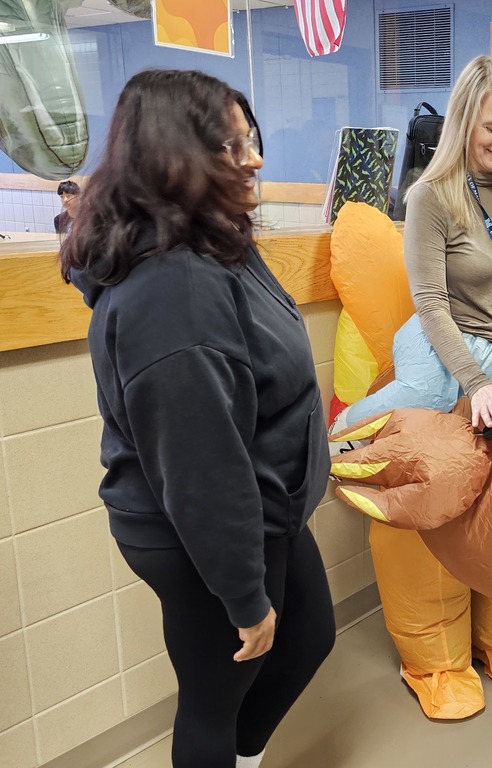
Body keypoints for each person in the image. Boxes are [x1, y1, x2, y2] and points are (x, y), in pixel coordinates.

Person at [59, 70, 335, 768]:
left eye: (252, 141)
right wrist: (244, 595)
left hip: (260, 502)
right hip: (199, 529)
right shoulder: (171, 288)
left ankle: (245, 759)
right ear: (172, 158)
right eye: (232, 146)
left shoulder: (219, 243)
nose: (257, 160)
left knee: (310, 637)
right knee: (216, 698)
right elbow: (201, 466)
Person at [337, 55, 492, 721]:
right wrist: (475, 382)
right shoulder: (430, 198)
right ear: (465, 119)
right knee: (428, 398)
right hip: (443, 342)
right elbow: (431, 305)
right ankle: (338, 432)